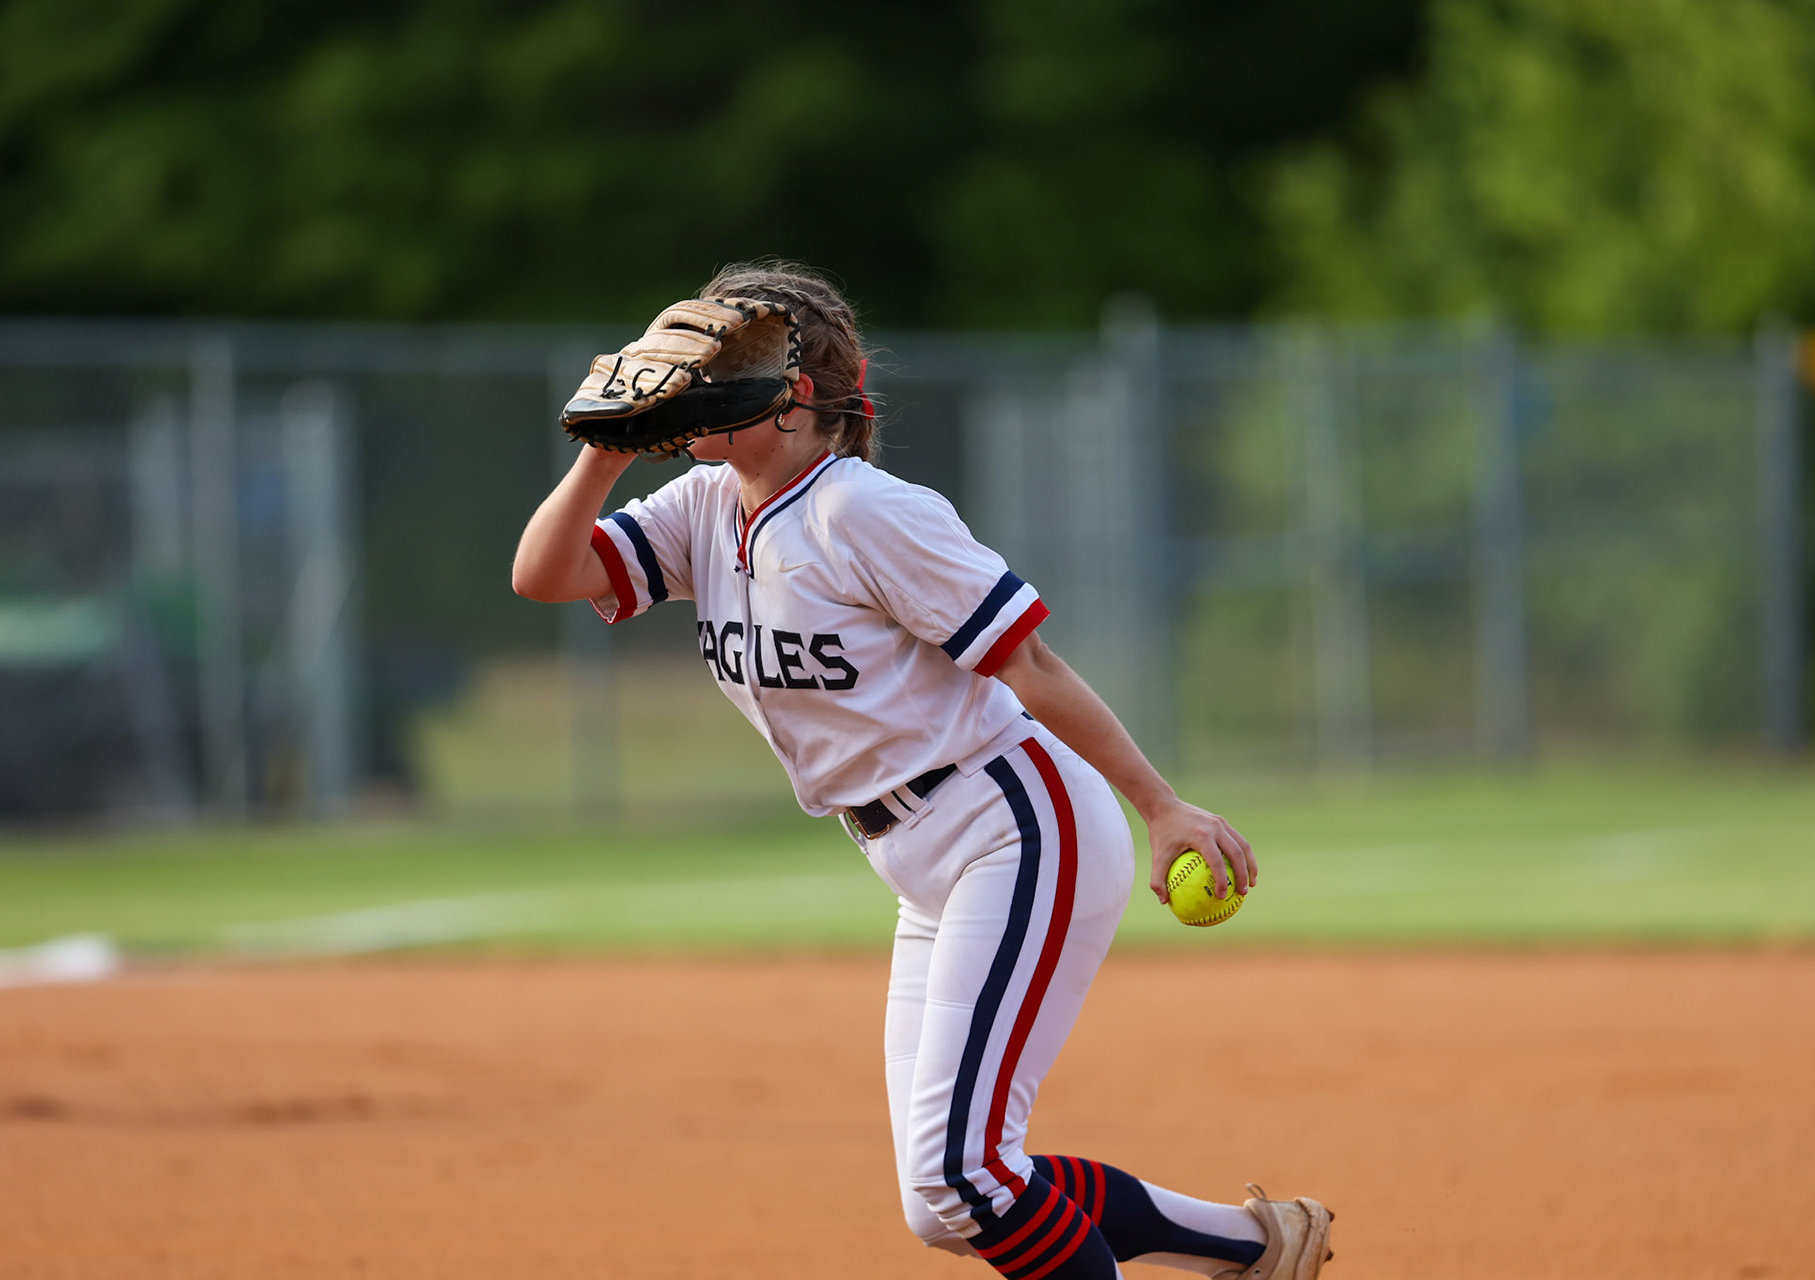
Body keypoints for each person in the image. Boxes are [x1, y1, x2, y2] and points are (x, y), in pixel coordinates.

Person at [511, 262, 1333, 1280]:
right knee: (945, 1197)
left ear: (800, 395)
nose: (690, 387)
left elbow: (1028, 662)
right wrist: (600, 456)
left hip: (1014, 822)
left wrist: (1160, 804)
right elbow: (545, 573)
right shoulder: (706, 508)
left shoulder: (865, 511)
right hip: (917, 855)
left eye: (724, 367)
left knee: (965, 1174)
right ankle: (1256, 1247)